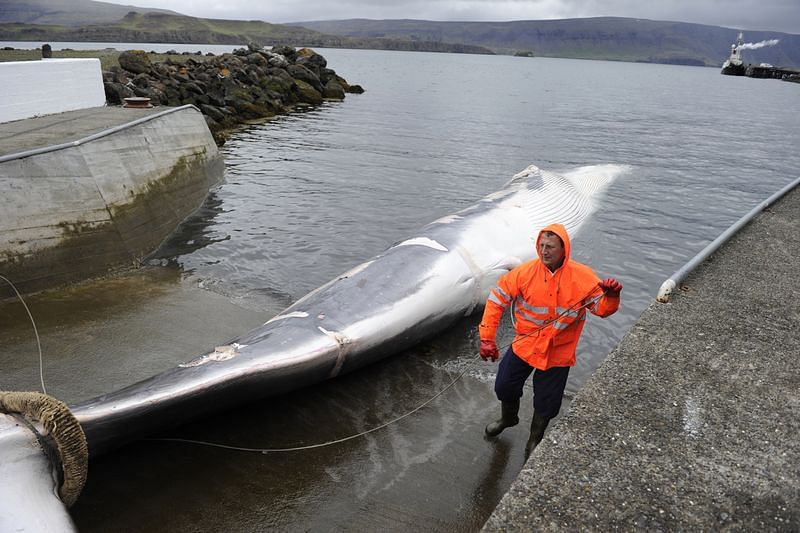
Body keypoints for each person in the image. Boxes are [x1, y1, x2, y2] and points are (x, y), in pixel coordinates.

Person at [478, 222, 622, 458]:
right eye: (542, 245)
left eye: (551, 247)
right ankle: (508, 418)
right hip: (524, 345)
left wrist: (612, 295)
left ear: (564, 249)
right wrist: (487, 338)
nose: (545, 251)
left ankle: (534, 440)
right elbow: (496, 301)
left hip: (558, 353)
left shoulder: (583, 277)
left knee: (547, 402)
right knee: (504, 385)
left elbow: (602, 309)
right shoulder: (524, 273)